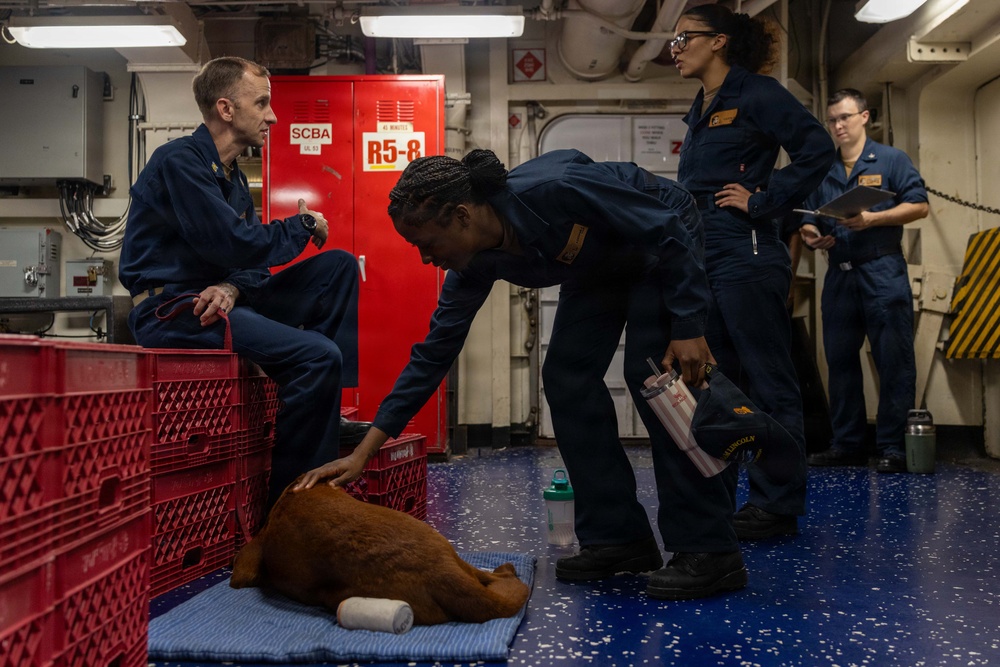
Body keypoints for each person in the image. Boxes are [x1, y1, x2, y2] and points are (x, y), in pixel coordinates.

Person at [296, 147, 754, 601]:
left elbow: (666, 225)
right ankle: (619, 538)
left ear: (461, 215)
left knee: (655, 377)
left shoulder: (552, 191)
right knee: (566, 375)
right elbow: (433, 354)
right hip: (600, 263)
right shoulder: (473, 264)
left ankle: (709, 549)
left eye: (427, 244)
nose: (424, 259)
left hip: (659, 239)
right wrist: (364, 451)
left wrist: (690, 324)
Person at [119, 56, 369, 508]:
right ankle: (292, 508)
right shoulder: (180, 160)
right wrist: (302, 225)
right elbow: (232, 243)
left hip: (220, 303)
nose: (273, 115)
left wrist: (233, 287)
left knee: (338, 267)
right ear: (226, 109)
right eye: (263, 103)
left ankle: (320, 414)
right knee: (318, 357)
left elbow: (250, 265)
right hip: (174, 312)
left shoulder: (233, 181)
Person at [671, 4, 836, 540]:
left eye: (683, 39)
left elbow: (817, 151)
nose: (675, 49)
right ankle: (737, 495)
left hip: (745, 250)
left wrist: (766, 199)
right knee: (720, 379)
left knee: (769, 381)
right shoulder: (701, 107)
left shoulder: (758, 94)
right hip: (703, 251)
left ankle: (778, 502)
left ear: (717, 41)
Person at [800, 88, 929, 473]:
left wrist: (872, 219)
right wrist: (810, 234)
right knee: (839, 363)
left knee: (894, 361)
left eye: (845, 117)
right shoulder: (824, 169)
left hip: (882, 271)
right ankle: (848, 445)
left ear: (864, 117)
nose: (838, 125)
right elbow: (810, 217)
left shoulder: (890, 159)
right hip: (839, 274)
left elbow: (919, 205)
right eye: (833, 119)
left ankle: (892, 446)